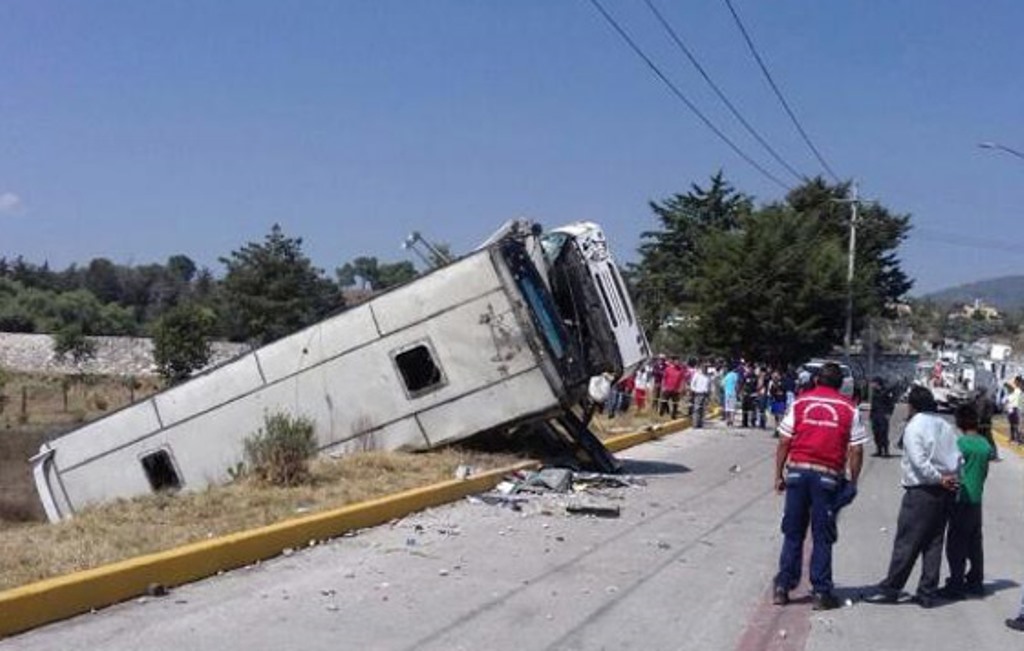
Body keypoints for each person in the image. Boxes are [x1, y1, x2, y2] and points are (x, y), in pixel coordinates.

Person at [772, 362, 866, 611]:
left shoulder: (800, 402)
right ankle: (821, 592)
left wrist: (778, 474)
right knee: (822, 536)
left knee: (793, 532)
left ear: (816, 381)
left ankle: (783, 587)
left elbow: (784, 441)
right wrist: (853, 481)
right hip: (828, 478)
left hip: (797, 473)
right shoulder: (849, 408)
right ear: (841, 385)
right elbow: (856, 450)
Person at [866, 386, 962, 608]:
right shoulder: (945, 426)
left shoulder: (915, 426)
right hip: (945, 491)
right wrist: (951, 478)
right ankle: (927, 592)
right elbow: (958, 457)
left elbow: (919, 463)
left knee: (907, 541)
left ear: (913, 405)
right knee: (934, 543)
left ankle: (891, 588)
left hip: (922, 491)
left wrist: (939, 478)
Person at [939, 403, 992, 600]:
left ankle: (956, 584)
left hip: (961, 497)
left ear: (959, 422)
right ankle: (976, 581)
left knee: (956, 544)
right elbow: (984, 472)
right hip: (977, 498)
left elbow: (951, 468)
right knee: (974, 542)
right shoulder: (985, 444)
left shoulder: (960, 444)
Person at [869, 377, 895, 457]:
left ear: (877, 383)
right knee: (876, 433)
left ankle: (886, 451)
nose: (871, 384)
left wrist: (889, 413)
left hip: (883, 415)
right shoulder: (874, 392)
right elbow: (873, 404)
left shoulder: (886, 391)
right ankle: (879, 450)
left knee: (883, 433)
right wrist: (871, 415)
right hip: (875, 415)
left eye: (873, 383)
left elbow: (891, 404)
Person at [974, 387, 999, 461]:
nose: (977, 393)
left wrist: (983, 419)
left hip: (985, 423)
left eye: (978, 391)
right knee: (980, 438)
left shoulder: (986, 401)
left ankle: (993, 454)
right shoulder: (977, 400)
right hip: (980, 422)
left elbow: (989, 412)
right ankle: (982, 454)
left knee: (988, 438)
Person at [690, 363, 711, 428]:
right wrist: (695, 390)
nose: (705, 369)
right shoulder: (697, 375)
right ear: (701, 368)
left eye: (706, 367)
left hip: (705, 394)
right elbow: (692, 384)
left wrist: (709, 393)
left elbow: (709, 386)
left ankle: (700, 423)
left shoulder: (708, 376)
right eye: (704, 367)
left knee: (703, 409)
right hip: (698, 393)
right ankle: (695, 424)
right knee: (697, 409)